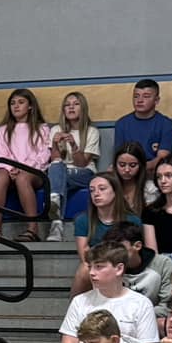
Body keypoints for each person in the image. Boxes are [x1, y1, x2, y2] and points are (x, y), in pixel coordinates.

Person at [59, 241, 159, 343]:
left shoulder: (141, 304)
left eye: (98, 267)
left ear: (119, 269)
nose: (91, 272)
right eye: (90, 267)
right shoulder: (79, 301)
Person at [0, 88, 53, 240]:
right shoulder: (2, 131)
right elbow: (0, 154)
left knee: (23, 178)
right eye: (12, 103)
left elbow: (43, 154)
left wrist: (22, 168)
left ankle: (32, 229)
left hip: (34, 172)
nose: (16, 106)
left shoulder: (42, 128)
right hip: (9, 170)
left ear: (30, 106)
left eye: (21, 102)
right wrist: (11, 168)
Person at [46, 91, 102, 239]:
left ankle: (54, 200)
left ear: (83, 108)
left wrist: (73, 144)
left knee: (58, 178)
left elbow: (82, 163)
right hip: (60, 172)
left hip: (84, 173)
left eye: (76, 104)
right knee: (57, 168)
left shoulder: (92, 131)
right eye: (67, 105)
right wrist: (55, 144)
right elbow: (55, 159)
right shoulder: (56, 130)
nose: (71, 108)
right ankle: (56, 225)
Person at [114, 78, 172, 161]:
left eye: (146, 96)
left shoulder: (165, 124)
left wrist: (141, 168)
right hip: (128, 168)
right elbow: (119, 155)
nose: (139, 100)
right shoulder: (122, 124)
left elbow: (161, 158)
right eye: (136, 96)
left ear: (156, 100)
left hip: (155, 170)